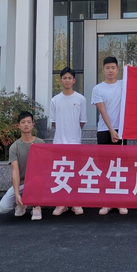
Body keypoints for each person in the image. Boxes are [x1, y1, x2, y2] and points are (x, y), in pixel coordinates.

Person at [91, 56, 128, 216]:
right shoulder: (98, 89)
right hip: (104, 130)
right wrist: (112, 130)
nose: (110, 71)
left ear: (117, 70)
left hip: (122, 130)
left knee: (120, 166)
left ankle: (120, 201)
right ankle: (106, 202)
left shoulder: (124, 84)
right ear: (103, 70)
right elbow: (103, 111)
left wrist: (130, 70)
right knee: (105, 166)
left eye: (113, 67)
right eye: (107, 68)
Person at [50, 66, 87, 216]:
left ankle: (76, 202)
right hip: (59, 142)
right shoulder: (55, 100)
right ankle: (61, 203)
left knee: (75, 173)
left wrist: (72, 133)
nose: (67, 81)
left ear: (74, 80)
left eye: (69, 78)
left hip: (75, 142)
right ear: (60, 80)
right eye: (64, 78)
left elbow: (82, 121)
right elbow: (54, 122)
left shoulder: (81, 99)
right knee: (61, 172)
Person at [0, 111, 45, 220]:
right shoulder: (14, 147)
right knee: (2, 208)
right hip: (22, 183)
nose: (26, 125)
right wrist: (17, 193)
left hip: (37, 182)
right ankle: (22, 203)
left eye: (29, 122)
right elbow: (15, 171)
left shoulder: (40, 143)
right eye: (23, 122)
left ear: (33, 124)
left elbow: (44, 167)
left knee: (37, 179)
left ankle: (36, 206)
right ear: (18, 125)